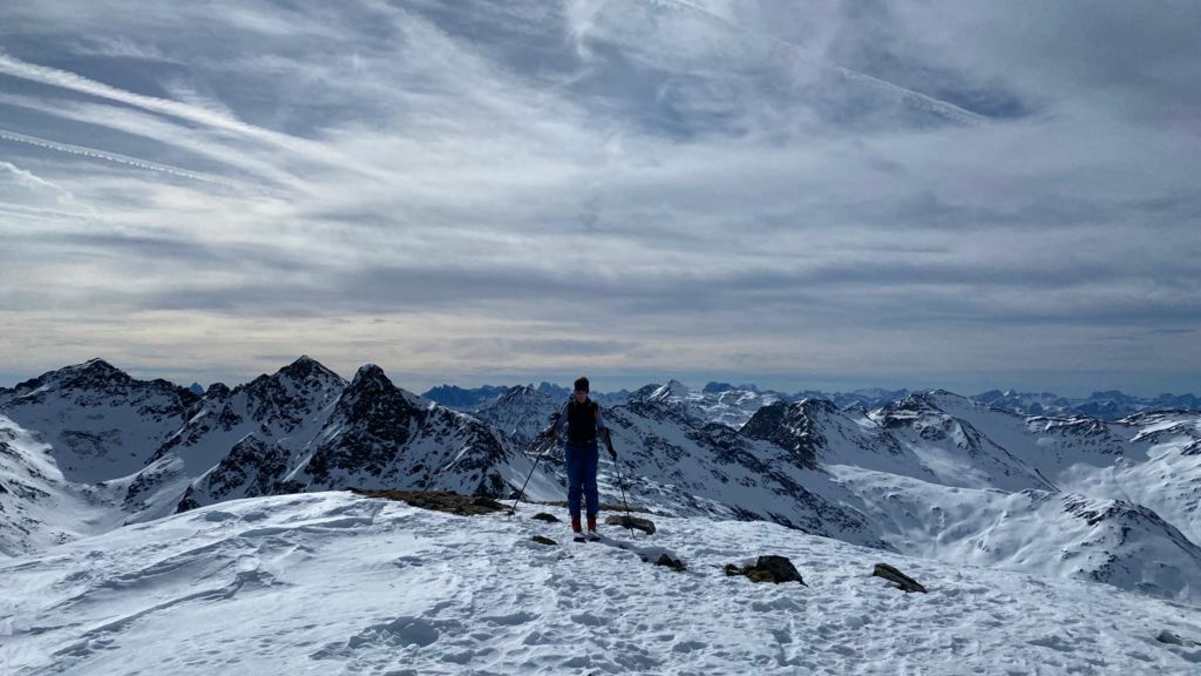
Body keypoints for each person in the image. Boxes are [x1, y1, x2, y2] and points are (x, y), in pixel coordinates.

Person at [547, 376, 616, 540]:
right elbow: (560, 423)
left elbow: (601, 428)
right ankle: (575, 521)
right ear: (574, 391)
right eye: (577, 391)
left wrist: (610, 448)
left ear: (587, 392)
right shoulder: (569, 407)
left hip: (590, 449)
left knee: (590, 486)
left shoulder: (594, 408)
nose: (579, 394)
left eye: (582, 392)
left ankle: (591, 520)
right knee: (575, 487)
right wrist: (552, 431)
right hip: (573, 449)